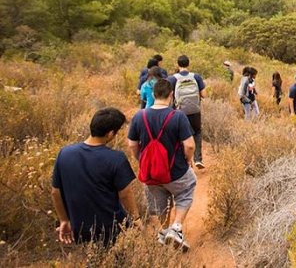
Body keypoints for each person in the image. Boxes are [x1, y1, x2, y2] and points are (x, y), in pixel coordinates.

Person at [51, 108, 139, 246]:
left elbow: (55, 192)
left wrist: (64, 220)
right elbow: (125, 194)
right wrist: (136, 219)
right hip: (112, 229)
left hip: (80, 228)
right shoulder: (116, 158)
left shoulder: (65, 153)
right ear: (110, 133)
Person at [128, 79, 197, 251]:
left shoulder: (139, 116)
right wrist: (187, 161)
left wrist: (142, 160)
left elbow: (132, 144)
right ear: (171, 95)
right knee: (186, 190)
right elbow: (189, 145)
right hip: (175, 171)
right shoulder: (178, 116)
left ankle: (164, 231)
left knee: (160, 202)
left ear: (153, 94)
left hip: (151, 173)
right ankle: (176, 228)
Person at [168, 55, 206, 169]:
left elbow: (168, 96)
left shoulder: (172, 79)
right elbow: (204, 94)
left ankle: (186, 161)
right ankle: (198, 159)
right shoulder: (196, 77)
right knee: (197, 133)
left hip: (179, 113)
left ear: (178, 64)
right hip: (195, 110)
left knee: (180, 136)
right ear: (189, 64)